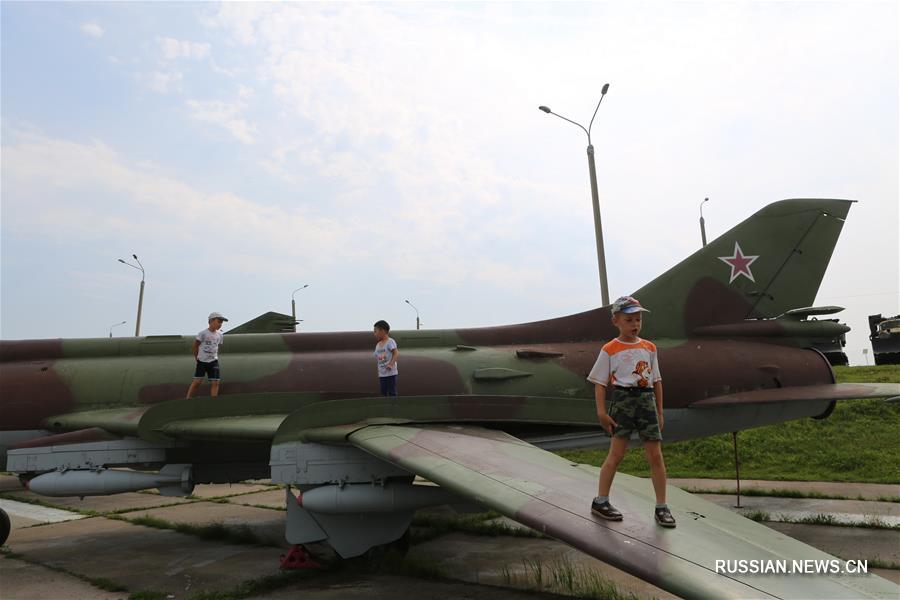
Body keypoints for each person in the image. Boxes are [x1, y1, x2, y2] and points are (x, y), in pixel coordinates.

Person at [586, 296, 675, 528]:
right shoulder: (609, 349)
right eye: (629, 319)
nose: (635, 324)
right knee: (616, 455)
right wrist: (602, 413)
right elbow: (599, 383)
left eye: (638, 319)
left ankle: (661, 507)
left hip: (646, 401)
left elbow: (657, 381)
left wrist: (660, 411)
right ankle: (601, 500)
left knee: (655, 455)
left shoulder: (649, 348)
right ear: (616, 320)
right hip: (623, 400)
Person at [186, 312, 228, 399]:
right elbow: (195, 345)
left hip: (213, 361)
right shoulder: (203, 333)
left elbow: (217, 346)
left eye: (221, 322)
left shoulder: (220, 335)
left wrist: (214, 356)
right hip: (202, 361)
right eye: (218, 321)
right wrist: (197, 357)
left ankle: (213, 401)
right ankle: (188, 398)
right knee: (197, 381)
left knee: (215, 382)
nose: (220, 324)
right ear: (211, 321)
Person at [373, 319, 399, 397]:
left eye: (375, 331)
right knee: (383, 391)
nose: (374, 334)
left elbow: (396, 353)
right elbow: (377, 356)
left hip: (390, 373)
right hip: (382, 373)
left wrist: (391, 364)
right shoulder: (378, 345)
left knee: (392, 391)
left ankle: (393, 406)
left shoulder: (390, 341)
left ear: (382, 331)